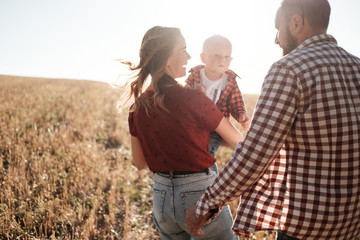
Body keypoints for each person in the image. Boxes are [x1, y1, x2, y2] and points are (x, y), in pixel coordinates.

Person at [185, 0, 360, 239]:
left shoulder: (289, 68)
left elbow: (255, 153)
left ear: (296, 22)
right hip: (351, 221)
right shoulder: (356, 66)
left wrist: (205, 205)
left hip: (306, 224)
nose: (276, 39)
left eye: (278, 29)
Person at [124, 26, 243, 240]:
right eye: (182, 50)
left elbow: (140, 163)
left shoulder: (137, 107)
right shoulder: (194, 98)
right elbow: (238, 140)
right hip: (199, 195)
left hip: (161, 197)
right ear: (166, 58)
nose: (188, 56)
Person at [185, 35, 250, 162]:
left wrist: (242, 115)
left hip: (215, 129)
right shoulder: (196, 75)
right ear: (204, 58)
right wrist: (192, 91)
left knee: (207, 153)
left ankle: (206, 171)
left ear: (230, 60)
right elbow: (183, 94)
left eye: (226, 57)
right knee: (189, 147)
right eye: (216, 56)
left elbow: (236, 102)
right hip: (193, 124)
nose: (222, 60)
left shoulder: (229, 81)